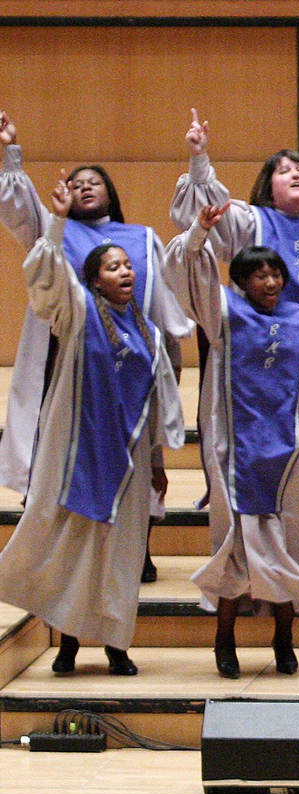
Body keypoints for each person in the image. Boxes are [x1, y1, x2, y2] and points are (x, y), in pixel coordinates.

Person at [170, 109, 299, 589]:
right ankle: (263, 550)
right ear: (268, 186)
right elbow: (205, 223)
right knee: (269, 457)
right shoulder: (252, 221)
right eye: (284, 170)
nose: (296, 174)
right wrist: (200, 159)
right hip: (259, 368)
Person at [0, 178, 185, 675]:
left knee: (119, 560)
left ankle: (116, 646)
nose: (126, 272)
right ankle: (66, 645)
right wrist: (57, 221)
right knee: (72, 553)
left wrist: (155, 462)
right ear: (95, 279)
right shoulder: (77, 314)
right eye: (113, 267)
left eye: (128, 266)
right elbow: (45, 276)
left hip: (125, 465)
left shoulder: (147, 333)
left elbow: (153, 406)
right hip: (76, 459)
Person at [0, 113, 192, 583]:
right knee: (57, 456)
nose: (86, 187)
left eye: (95, 182)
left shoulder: (142, 240)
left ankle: (137, 548)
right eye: (78, 182)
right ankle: (52, 550)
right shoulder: (54, 230)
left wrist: (169, 363)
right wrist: (10, 153)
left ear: (111, 193)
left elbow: (162, 308)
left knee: (139, 460)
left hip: (128, 369)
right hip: (63, 365)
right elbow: (17, 208)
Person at [166, 205, 299, 678]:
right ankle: (224, 641)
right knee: (233, 547)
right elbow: (184, 270)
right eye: (258, 275)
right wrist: (199, 230)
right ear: (240, 282)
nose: (270, 282)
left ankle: (284, 639)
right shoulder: (222, 313)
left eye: (275, 273)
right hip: (233, 451)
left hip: (288, 454)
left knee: (284, 548)